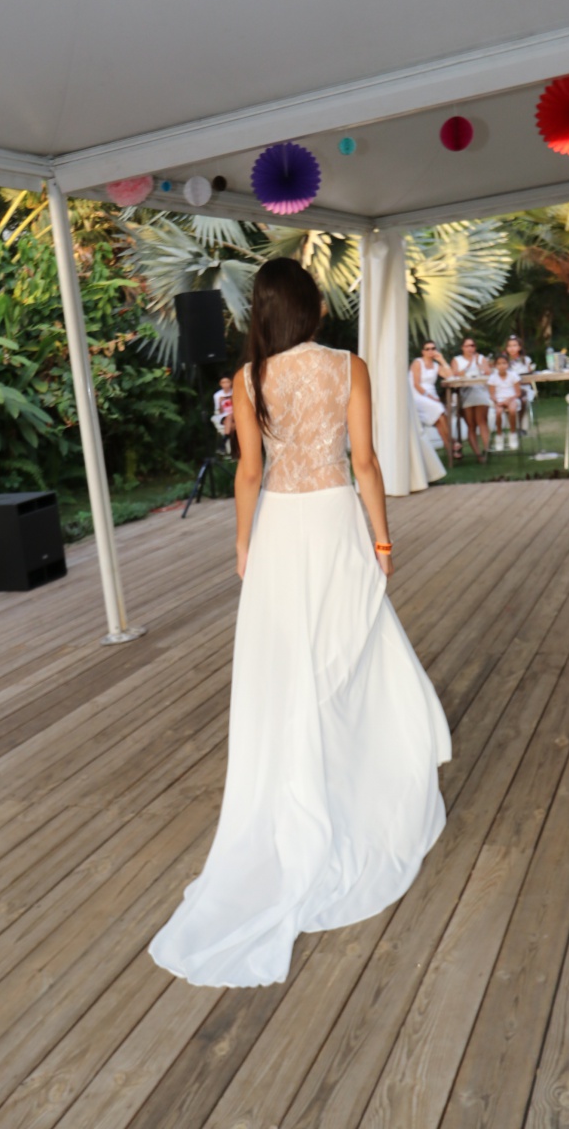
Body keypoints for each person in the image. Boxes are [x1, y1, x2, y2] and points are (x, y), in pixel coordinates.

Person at [149, 258, 451, 989]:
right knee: (351, 656)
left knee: (287, 671)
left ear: (260, 311)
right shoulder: (348, 366)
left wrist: (242, 544)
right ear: (312, 306)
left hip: (282, 531)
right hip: (336, 522)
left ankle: (301, 792)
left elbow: (248, 473)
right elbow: (365, 461)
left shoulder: (249, 379)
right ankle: (360, 787)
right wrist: (382, 541)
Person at [410, 341, 461, 460]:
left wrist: (442, 360)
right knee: (439, 410)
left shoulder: (436, 366)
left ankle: (450, 450)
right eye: (427, 349)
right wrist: (431, 397)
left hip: (431, 396)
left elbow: (450, 376)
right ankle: (453, 441)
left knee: (440, 420)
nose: (430, 351)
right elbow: (416, 384)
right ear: (423, 351)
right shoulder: (418, 363)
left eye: (433, 348)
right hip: (418, 395)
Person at [450, 337, 491, 462]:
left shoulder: (481, 358)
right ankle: (478, 454)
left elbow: (488, 372)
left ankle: (487, 451)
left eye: (472, 345)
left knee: (482, 421)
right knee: (471, 425)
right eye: (467, 346)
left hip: (480, 391)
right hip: (465, 393)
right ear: (462, 347)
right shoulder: (457, 360)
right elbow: (454, 374)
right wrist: (468, 365)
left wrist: (479, 364)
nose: (470, 348)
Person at [487, 353, 522, 450]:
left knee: (512, 410)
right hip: (498, 400)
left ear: (508, 364)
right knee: (498, 412)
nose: (502, 366)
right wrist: (498, 402)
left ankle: (513, 434)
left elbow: (518, 393)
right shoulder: (493, 377)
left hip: (512, 398)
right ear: (495, 365)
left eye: (504, 363)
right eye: (499, 364)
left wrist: (508, 400)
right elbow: (492, 394)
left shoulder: (513, 375)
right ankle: (499, 435)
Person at [505, 334, 535, 430]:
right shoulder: (504, 361)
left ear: (519, 347)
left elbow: (530, 378)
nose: (512, 348)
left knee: (522, 398)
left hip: (523, 388)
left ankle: (521, 425)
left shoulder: (525, 360)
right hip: (508, 389)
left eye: (514, 345)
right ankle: (512, 426)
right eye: (509, 346)